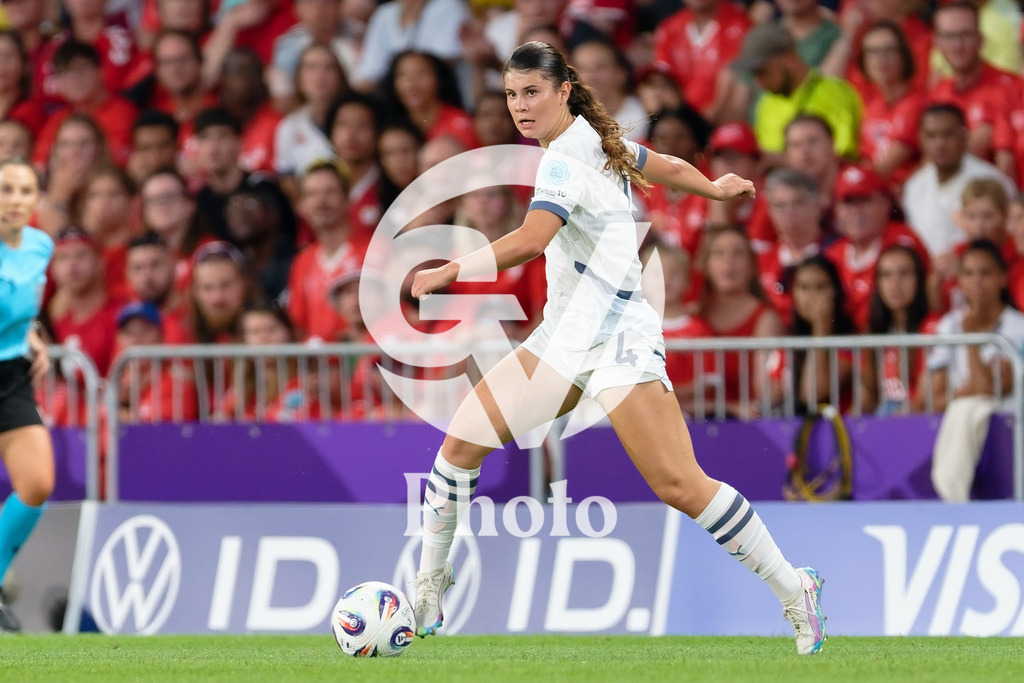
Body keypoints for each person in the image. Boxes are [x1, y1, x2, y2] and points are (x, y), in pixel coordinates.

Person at [407, 41, 826, 655]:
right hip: (563, 336)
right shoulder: (593, 143)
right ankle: (429, 584)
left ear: (562, 92)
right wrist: (712, 186)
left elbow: (531, 239)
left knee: (680, 486)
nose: (520, 106)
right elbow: (663, 166)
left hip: (616, 337)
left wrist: (449, 271)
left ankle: (795, 589)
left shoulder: (562, 161)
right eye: (511, 95)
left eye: (531, 93)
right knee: (458, 446)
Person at [0, 158, 56, 632]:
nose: (14, 200)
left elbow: (22, 306)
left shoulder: (41, 246)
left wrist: (34, 334)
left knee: (36, 483)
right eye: (5, 190)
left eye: (24, 191)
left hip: (12, 375)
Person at [927, 239, 1024, 501]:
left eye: (985, 273)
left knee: (973, 405)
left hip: (1009, 426)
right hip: (960, 425)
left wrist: (969, 339)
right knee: (968, 407)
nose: (977, 282)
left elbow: (989, 390)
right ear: (959, 281)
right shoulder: (948, 325)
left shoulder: (1018, 328)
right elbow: (930, 397)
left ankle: (952, 493)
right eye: (968, 274)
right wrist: (969, 390)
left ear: (1003, 278)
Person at [862, 244, 940, 415]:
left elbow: (923, 401)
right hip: (886, 418)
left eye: (904, 274)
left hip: (913, 424)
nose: (894, 283)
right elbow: (867, 395)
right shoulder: (877, 330)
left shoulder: (932, 327)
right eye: (886, 275)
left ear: (919, 280)